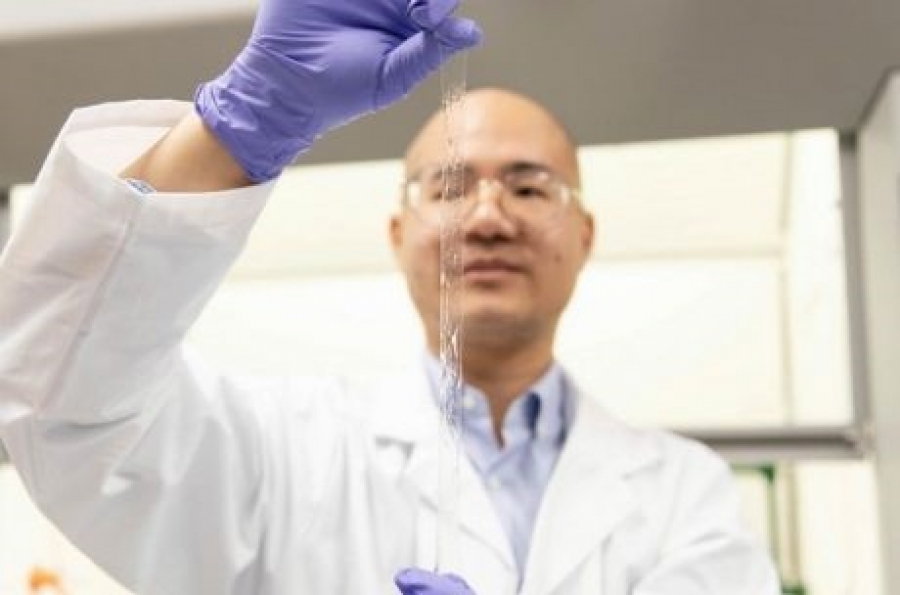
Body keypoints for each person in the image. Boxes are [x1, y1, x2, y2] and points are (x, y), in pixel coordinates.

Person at [0, 0, 780, 593]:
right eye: (450, 186)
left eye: (529, 186)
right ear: (398, 231)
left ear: (584, 233)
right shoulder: (280, 452)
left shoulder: (685, 492)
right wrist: (247, 116)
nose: (488, 216)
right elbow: (65, 407)